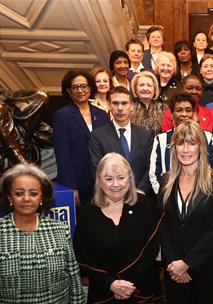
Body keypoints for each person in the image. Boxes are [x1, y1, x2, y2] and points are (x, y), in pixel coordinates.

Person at [73, 153, 163, 303]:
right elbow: (83, 257)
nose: (116, 184)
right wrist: (111, 284)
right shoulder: (87, 213)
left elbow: (151, 249)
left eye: (121, 178)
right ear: (99, 181)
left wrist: (127, 286)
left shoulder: (145, 206)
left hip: (144, 291)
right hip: (104, 293)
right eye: (108, 179)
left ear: (130, 178)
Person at [159, 120, 213, 304]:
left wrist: (188, 263)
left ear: (201, 147)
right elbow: (162, 227)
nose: (186, 149)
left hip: (206, 268)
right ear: (174, 148)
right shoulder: (166, 181)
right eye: (180, 143)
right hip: (173, 269)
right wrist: (174, 263)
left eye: (191, 143)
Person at [0, 163, 85, 303]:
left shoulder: (60, 230)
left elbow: (74, 277)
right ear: (10, 198)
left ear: (41, 198)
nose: (26, 198)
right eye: (19, 193)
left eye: (33, 193)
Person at [53, 69, 110, 205]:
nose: (80, 90)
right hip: (77, 182)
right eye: (75, 87)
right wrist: (71, 188)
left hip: (101, 181)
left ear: (90, 88)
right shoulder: (62, 116)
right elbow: (63, 155)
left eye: (83, 86)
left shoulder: (102, 114)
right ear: (68, 91)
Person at [150, 93, 213, 194]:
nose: (184, 114)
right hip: (170, 198)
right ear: (171, 114)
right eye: (179, 110)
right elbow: (154, 175)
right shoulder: (161, 139)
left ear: (193, 113)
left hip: (203, 196)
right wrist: (167, 199)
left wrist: (204, 197)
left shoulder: (207, 137)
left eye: (188, 110)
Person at [89, 86, 153, 195]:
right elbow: (97, 170)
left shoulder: (145, 134)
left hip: (141, 195)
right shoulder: (97, 136)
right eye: (115, 103)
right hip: (111, 195)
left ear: (131, 106)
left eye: (124, 103)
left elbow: (151, 167)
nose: (120, 108)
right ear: (109, 105)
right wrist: (115, 190)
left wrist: (139, 190)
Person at [130, 70, 168, 137]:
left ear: (155, 89)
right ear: (136, 89)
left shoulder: (164, 108)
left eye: (149, 85)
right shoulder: (129, 108)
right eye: (141, 85)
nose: (145, 88)